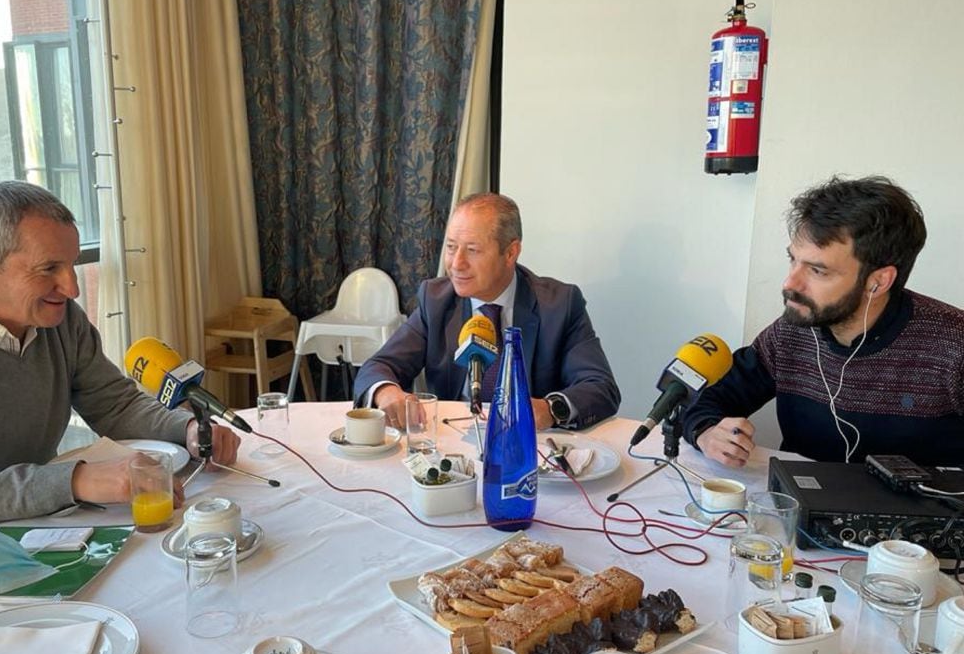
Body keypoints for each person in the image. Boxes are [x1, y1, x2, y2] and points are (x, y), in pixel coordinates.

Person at [0, 181, 241, 545]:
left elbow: (114, 405)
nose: (71, 289)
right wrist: (77, 480)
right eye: (48, 268)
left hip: (26, 530)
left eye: (71, 265)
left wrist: (187, 430)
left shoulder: (57, 316)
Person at [684, 176, 964, 467]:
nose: (790, 283)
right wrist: (705, 432)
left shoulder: (954, 345)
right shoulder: (793, 331)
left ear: (878, 282)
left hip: (928, 511)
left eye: (817, 271)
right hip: (796, 505)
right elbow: (710, 399)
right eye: (793, 260)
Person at [353, 192, 620, 430]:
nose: (456, 264)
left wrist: (551, 410)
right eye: (451, 247)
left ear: (510, 252)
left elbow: (600, 387)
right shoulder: (436, 300)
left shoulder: (560, 304)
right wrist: (387, 392)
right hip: (453, 444)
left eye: (472, 250)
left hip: (531, 453)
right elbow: (378, 366)